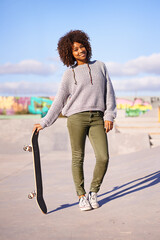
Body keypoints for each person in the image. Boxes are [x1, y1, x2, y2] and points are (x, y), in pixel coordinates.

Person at [33, 30, 117, 211]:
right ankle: (81, 195)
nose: (81, 51)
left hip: (97, 118)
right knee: (78, 157)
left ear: (87, 45)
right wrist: (45, 121)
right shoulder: (69, 74)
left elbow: (109, 93)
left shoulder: (100, 66)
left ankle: (93, 192)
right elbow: (59, 100)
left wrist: (109, 115)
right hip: (76, 119)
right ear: (69, 54)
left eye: (82, 46)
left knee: (103, 157)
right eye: (76, 49)